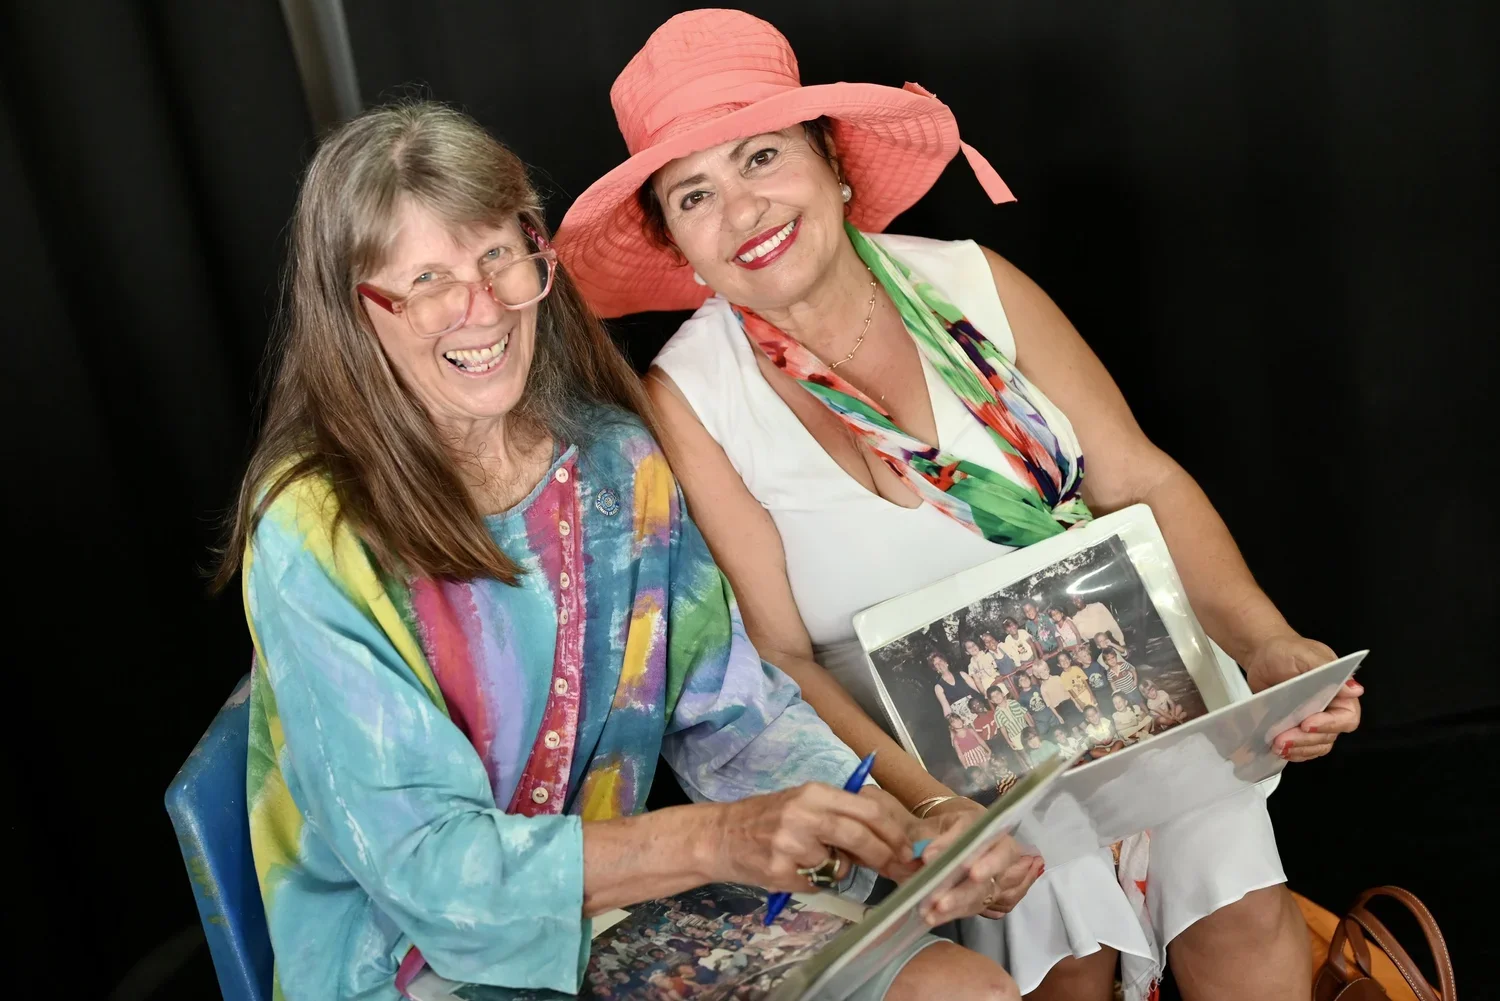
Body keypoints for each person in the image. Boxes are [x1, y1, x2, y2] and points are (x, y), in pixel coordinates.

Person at [556, 11, 1362, 1000]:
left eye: (762, 157)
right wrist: (932, 804)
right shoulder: (692, 400)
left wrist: (1270, 642)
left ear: (834, 161)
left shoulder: (974, 283)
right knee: (1058, 921)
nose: (743, 208)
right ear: (677, 242)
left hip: (1127, 697)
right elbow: (782, 659)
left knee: (1232, 878)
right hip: (929, 777)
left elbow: (1140, 479)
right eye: (696, 193)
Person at [216, 101, 1016, 1001]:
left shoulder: (615, 462)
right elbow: (429, 870)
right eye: (428, 279)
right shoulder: (310, 529)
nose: (479, 309)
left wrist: (899, 833)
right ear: (356, 313)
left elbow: (733, 717)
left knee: (969, 991)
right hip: (408, 963)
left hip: (613, 919)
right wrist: (711, 841)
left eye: (495, 257)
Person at [930, 651, 982, 724]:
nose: (940, 665)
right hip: (961, 718)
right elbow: (946, 708)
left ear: (946, 663)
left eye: (940, 661)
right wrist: (953, 723)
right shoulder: (938, 687)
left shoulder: (962, 674)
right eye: (936, 664)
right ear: (936, 669)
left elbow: (979, 689)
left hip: (975, 708)